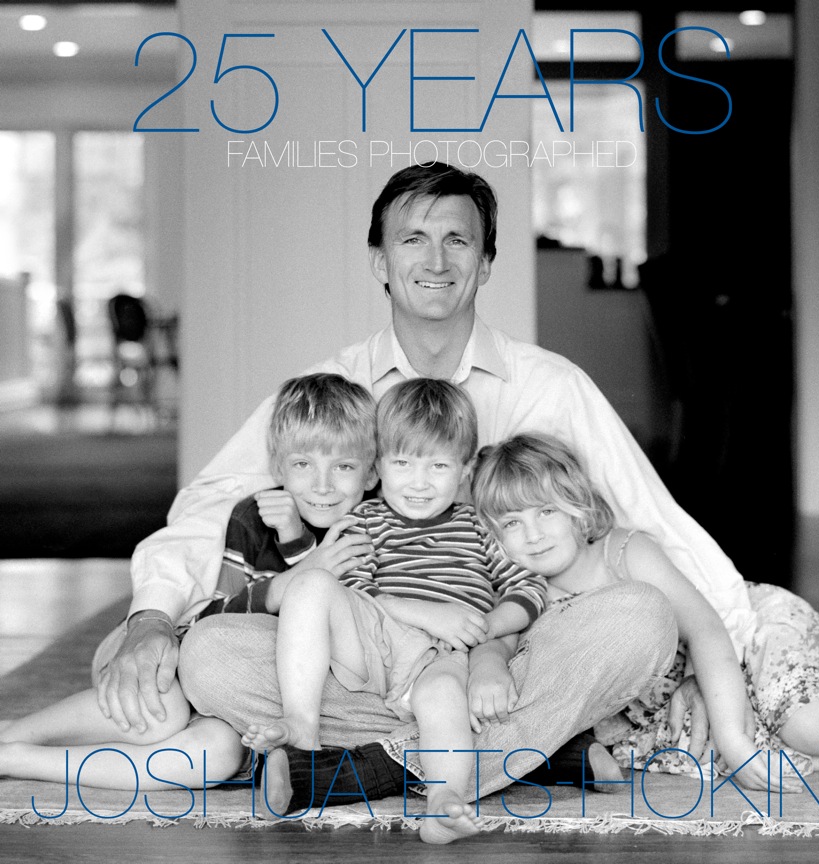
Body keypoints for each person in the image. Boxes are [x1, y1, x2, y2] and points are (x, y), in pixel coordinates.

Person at [96, 160, 727, 809]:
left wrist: (711, 659)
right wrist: (152, 616)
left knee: (642, 618)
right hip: (376, 662)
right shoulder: (337, 390)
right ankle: (522, 751)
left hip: (515, 648)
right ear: (380, 260)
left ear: (485, 263)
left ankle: (372, 766)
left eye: (458, 240)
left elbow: (650, 520)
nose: (437, 259)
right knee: (210, 655)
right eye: (413, 239)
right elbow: (214, 502)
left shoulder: (552, 386)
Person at [0, 372, 379, 791]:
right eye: (303, 464)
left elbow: (361, 643)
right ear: (278, 467)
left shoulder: (373, 529)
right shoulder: (252, 520)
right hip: (199, 675)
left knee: (216, 755)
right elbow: (212, 623)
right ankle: (12, 736)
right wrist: (288, 579)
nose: (323, 485)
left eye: (344, 466)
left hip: (253, 707)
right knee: (163, 705)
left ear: (371, 473)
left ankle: (20, 760)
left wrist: (304, 554)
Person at [244, 378, 546, 841]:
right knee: (310, 583)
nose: (418, 483)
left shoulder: (478, 526)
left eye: (438, 466)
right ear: (379, 465)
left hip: (442, 657)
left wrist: (484, 627)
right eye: (402, 463)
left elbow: (527, 587)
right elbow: (351, 587)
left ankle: (445, 801)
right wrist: (425, 612)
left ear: (465, 469)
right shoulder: (364, 521)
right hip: (375, 643)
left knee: (444, 693)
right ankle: (301, 725)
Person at [472, 432, 819, 788]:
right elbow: (494, 638)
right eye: (512, 522)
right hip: (687, 701)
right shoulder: (523, 598)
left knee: (804, 727)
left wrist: (733, 740)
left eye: (546, 511)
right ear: (493, 536)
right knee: (770, 762)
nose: (534, 535)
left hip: (749, 637)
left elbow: (706, 629)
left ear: (578, 506)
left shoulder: (623, 553)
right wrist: (487, 668)